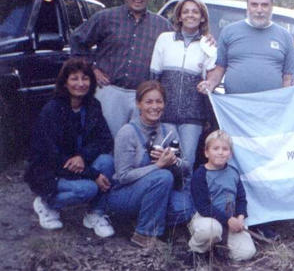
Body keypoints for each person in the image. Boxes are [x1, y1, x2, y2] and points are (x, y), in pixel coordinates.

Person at [199, 0, 294, 240]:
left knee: (265, 167)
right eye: (254, 4)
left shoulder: (285, 37)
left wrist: (284, 108)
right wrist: (210, 83)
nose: (259, 9)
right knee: (237, 166)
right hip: (236, 115)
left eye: (264, 4)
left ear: (271, 6)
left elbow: (288, 77)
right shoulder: (230, 33)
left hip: (269, 116)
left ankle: (265, 219)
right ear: (247, 5)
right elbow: (220, 68)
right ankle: (231, 217)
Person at [71, 0, 172, 137]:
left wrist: (206, 38)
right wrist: (92, 69)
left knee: (138, 145)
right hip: (110, 92)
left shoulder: (162, 26)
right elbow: (77, 40)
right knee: (105, 140)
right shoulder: (106, 18)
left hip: (142, 98)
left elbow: (181, 46)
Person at [25, 58, 115, 237]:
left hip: (77, 165)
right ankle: (46, 203)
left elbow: (105, 140)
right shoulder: (53, 109)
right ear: (65, 83)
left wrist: (82, 156)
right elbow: (51, 153)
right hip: (51, 170)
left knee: (107, 160)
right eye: (74, 78)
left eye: (85, 78)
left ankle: (95, 214)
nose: (80, 84)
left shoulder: (93, 106)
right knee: (88, 189)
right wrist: (93, 174)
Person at [106, 80, 194, 248]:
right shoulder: (127, 132)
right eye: (149, 102)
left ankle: (138, 221)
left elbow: (187, 167)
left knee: (184, 209)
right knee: (163, 176)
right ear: (139, 104)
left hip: (156, 192)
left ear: (164, 104)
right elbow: (123, 176)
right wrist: (158, 165)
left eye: (159, 101)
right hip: (124, 194)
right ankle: (144, 234)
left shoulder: (169, 130)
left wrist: (174, 161)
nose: (155, 106)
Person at [150, 0, 217, 171]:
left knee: (186, 162)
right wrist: (153, 109)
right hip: (165, 114)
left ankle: (184, 196)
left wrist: (207, 85)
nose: (190, 15)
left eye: (195, 12)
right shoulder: (165, 39)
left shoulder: (208, 45)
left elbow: (211, 82)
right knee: (163, 160)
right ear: (179, 16)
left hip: (193, 117)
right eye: (186, 11)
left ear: (202, 18)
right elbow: (153, 79)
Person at [189, 130, 256, 263]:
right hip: (207, 218)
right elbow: (203, 206)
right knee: (210, 230)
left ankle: (218, 250)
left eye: (225, 149)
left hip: (230, 220)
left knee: (247, 253)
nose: (220, 152)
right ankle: (196, 251)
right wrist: (228, 220)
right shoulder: (200, 174)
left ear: (230, 154)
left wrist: (240, 218)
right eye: (215, 148)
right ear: (206, 152)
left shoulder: (233, 172)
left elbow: (241, 199)